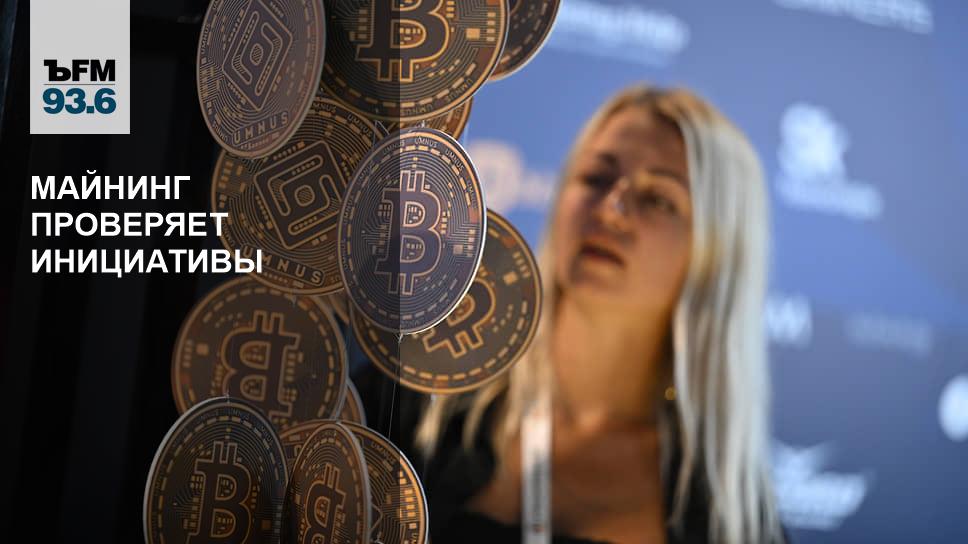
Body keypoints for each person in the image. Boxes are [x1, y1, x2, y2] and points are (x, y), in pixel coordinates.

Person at [359, 84, 786, 543]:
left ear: (717, 256)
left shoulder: (731, 515)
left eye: (658, 199)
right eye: (596, 178)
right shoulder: (428, 396)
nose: (611, 210)